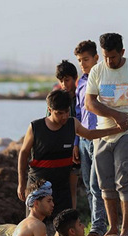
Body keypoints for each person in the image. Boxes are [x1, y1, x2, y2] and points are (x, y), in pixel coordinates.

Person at [17, 89, 124, 231]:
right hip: (38, 186)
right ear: (50, 110)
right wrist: (21, 183)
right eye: (59, 113)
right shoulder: (35, 127)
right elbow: (23, 154)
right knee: (32, 228)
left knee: (66, 229)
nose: (64, 117)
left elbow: (90, 134)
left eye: (66, 112)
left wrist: (117, 129)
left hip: (62, 187)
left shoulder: (72, 123)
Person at [85, 32, 128, 236]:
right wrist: (115, 114)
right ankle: (112, 227)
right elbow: (90, 103)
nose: (109, 61)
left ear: (122, 52)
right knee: (104, 183)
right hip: (102, 134)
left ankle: (126, 228)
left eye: (113, 57)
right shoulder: (97, 71)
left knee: (124, 181)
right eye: (105, 56)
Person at [74, 40, 107, 236]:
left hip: (99, 136)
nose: (83, 63)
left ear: (96, 58)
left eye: (86, 59)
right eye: (79, 60)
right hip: (84, 138)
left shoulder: (104, 80)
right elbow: (78, 115)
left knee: (97, 184)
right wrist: (76, 142)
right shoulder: (81, 82)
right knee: (88, 184)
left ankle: (99, 226)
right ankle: (96, 222)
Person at [55, 59, 80, 211]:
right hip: (58, 148)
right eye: (61, 81)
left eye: (67, 80)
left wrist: (75, 144)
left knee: (72, 188)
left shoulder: (80, 98)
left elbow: (80, 124)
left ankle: (71, 220)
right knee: (58, 188)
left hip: (74, 147)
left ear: (75, 78)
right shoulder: (56, 100)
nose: (64, 84)